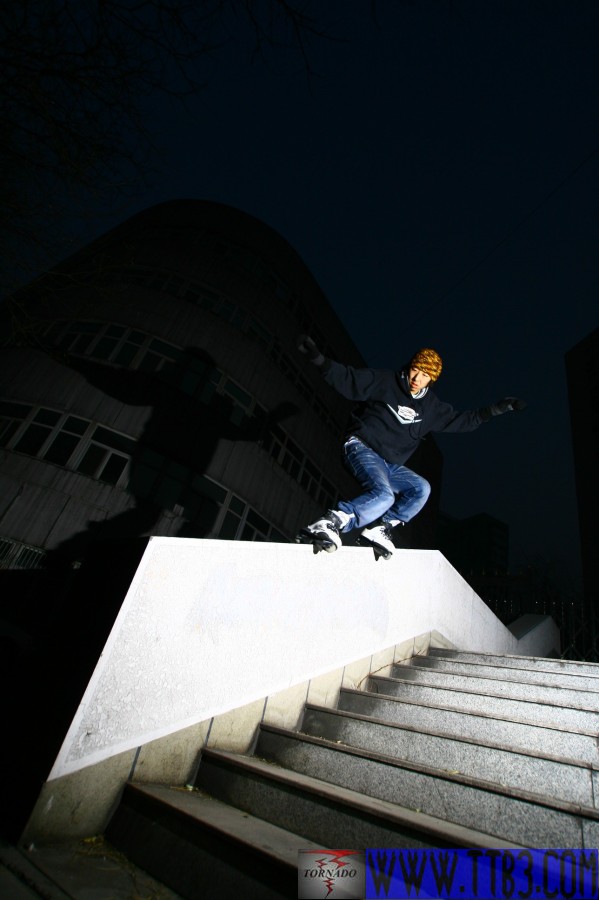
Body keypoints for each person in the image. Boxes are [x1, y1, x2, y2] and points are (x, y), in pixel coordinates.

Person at [295, 336, 525, 559]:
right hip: (361, 447)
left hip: (389, 465)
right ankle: (331, 521)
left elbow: (463, 420)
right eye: (415, 370)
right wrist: (318, 359)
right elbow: (349, 379)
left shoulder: (431, 408)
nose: (417, 378)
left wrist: (498, 409)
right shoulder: (386, 382)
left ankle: (381, 528)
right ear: (410, 366)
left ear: (431, 380)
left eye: (425, 375)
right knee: (384, 495)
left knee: (421, 488)